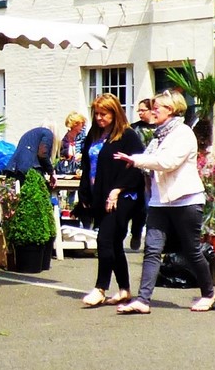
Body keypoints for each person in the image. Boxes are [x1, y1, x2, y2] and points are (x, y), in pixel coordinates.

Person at [112, 91, 215, 314]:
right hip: (160, 201)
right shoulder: (159, 136)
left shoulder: (183, 134)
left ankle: (208, 294)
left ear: (171, 109)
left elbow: (168, 162)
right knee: (152, 249)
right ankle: (143, 300)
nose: (153, 110)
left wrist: (136, 160)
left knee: (192, 250)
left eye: (157, 107)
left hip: (186, 200)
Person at [75, 93, 146, 308]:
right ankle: (124, 288)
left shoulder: (128, 136)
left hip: (122, 196)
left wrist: (116, 190)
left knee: (104, 239)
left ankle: (100, 288)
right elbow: (87, 167)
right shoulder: (93, 136)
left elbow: (136, 167)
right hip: (100, 195)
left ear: (115, 114)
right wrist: (85, 193)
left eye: (104, 114)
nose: (99, 118)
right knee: (114, 243)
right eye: (96, 114)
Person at [128, 98, 156, 250]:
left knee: (150, 208)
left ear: (152, 110)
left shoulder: (159, 129)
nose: (139, 113)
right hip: (136, 171)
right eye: (138, 110)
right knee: (139, 206)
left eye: (142, 110)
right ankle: (136, 233)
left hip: (154, 172)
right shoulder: (134, 128)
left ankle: (151, 241)